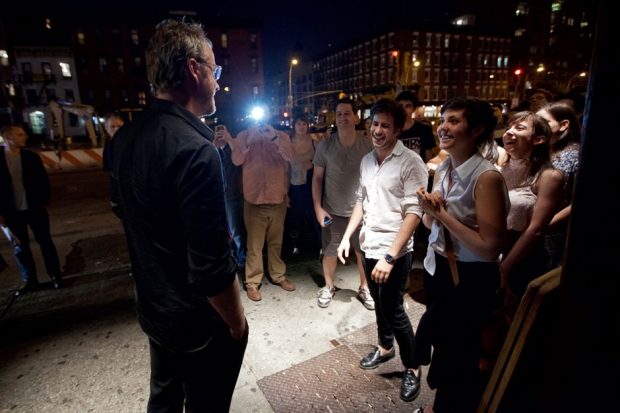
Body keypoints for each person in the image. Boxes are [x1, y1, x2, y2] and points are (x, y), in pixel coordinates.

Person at [110, 19, 247, 412]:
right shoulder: (195, 149)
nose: (218, 81)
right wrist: (237, 324)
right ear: (193, 70)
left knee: (164, 399)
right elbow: (211, 266)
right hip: (197, 325)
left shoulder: (126, 137)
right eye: (214, 70)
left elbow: (125, 212)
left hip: (153, 310)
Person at [413, 97, 509, 413]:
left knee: (461, 351)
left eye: (454, 121)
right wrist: (430, 208)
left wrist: (440, 214)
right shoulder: (443, 168)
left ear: (478, 129)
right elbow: (430, 223)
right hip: (439, 267)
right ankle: (442, 404)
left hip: (470, 276)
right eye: (443, 120)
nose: (444, 127)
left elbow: (489, 246)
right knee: (445, 342)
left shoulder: (487, 177)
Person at [337, 99, 428, 402]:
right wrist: (346, 237)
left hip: (395, 252)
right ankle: (385, 347)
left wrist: (390, 256)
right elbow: (361, 202)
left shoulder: (410, 162)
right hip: (369, 245)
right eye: (375, 123)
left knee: (394, 309)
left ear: (398, 129)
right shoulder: (367, 160)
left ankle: (413, 367)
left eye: (385, 125)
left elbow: (415, 214)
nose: (377, 130)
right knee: (379, 304)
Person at [229, 102, 296, 301]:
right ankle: (252, 282)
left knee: (276, 242)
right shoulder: (243, 136)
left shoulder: (280, 136)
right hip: (254, 199)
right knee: (254, 245)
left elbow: (290, 156)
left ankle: (278, 275)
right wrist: (249, 139)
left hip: (278, 198)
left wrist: (274, 137)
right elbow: (236, 160)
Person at [313, 98, 375, 310]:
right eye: (339, 114)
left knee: (362, 252)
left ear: (356, 116)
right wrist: (317, 207)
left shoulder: (367, 144)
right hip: (332, 210)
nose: (343, 118)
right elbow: (317, 178)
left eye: (347, 113)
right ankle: (329, 286)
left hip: (362, 211)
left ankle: (364, 287)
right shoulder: (326, 145)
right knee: (330, 251)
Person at [498, 112, 564, 299]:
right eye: (508, 127)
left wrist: (505, 268)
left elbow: (536, 230)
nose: (509, 132)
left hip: (520, 258)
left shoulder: (549, 176)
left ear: (539, 139)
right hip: (489, 252)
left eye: (519, 128)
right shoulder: (496, 170)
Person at [0, 125, 63, 295]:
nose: (24, 137)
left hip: (35, 209)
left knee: (46, 243)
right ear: (7, 137)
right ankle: (30, 281)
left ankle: (55, 276)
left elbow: (43, 181)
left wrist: (43, 201)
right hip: (11, 212)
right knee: (20, 247)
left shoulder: (31, 157)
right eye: (20, 135)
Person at [536, 103, 581, 271]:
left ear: (564, 125)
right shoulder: (544, 151)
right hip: (536, 231)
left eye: (543, 121)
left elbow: (577, 203)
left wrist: (542, 226)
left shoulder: (574, 155)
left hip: (554, 234)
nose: (538, 126)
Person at [213, 124, 247, 273]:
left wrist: (229, 139)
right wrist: (215, 143)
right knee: (221, 232)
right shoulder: (213, 148)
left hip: (232, 194)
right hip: (217, 197)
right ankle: (228, 258)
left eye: (223, 130)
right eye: (217, 131)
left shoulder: (233, 146)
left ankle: (242, 260)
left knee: (236, 231)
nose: (220, 133)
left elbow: (240, 157)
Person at [286, 113, 321, 255]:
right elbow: (286, 169)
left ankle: (321, 246)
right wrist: (285, 191)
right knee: (296, 218)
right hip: (294, 186)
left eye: (304, 124)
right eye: (299, 124)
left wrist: (313, 164)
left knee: (315, 216)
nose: (302, 127)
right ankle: (296, 246)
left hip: (310, 187)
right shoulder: (288, 144)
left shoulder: (314, 143)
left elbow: (324, 164)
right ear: (294, 126)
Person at [396, 90, 436, 162]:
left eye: (408, 106)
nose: (404, 110)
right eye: (401, 106)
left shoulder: (425, 130)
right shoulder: (392, 131)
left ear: (413, 109)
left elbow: (429, 159)